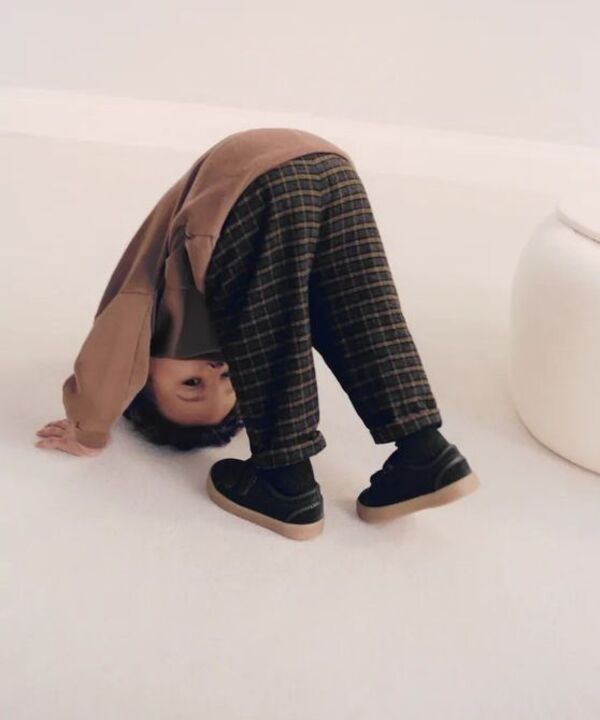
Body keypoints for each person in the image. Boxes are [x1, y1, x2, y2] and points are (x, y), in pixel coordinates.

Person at [35, 128, 480, 541]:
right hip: (328, 168)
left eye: (191, 384)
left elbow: (113, 348)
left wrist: (89, 428)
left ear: (142, 377)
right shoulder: (236, 307)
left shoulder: (146, 298)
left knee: (274, 340)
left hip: (251, 187)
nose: (214, 369)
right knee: (363, 311)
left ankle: (286, 481)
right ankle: (425, 451)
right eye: (229, 379)